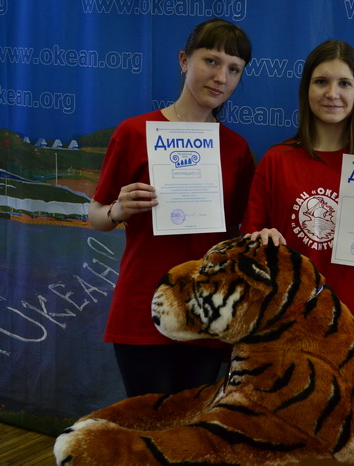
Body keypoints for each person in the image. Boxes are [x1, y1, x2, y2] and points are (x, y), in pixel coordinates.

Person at [88, 19, 256, 397]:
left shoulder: (237, 149)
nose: (221, 78)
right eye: (211, 61)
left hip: (207, 308)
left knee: (189, 432)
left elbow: (245, 231)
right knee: (149, 425)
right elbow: (95, 215)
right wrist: (118, 211)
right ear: (184, 60)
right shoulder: (133, 132)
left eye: (234, 70)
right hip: (142, 301)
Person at [241, 40, 354, 343]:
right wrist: (259, 239)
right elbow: (248, 241)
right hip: (281, 324)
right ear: (306, 89)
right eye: (321, 82)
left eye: (344, 83)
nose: (332, 94)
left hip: (348, 323)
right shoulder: (276, 160)